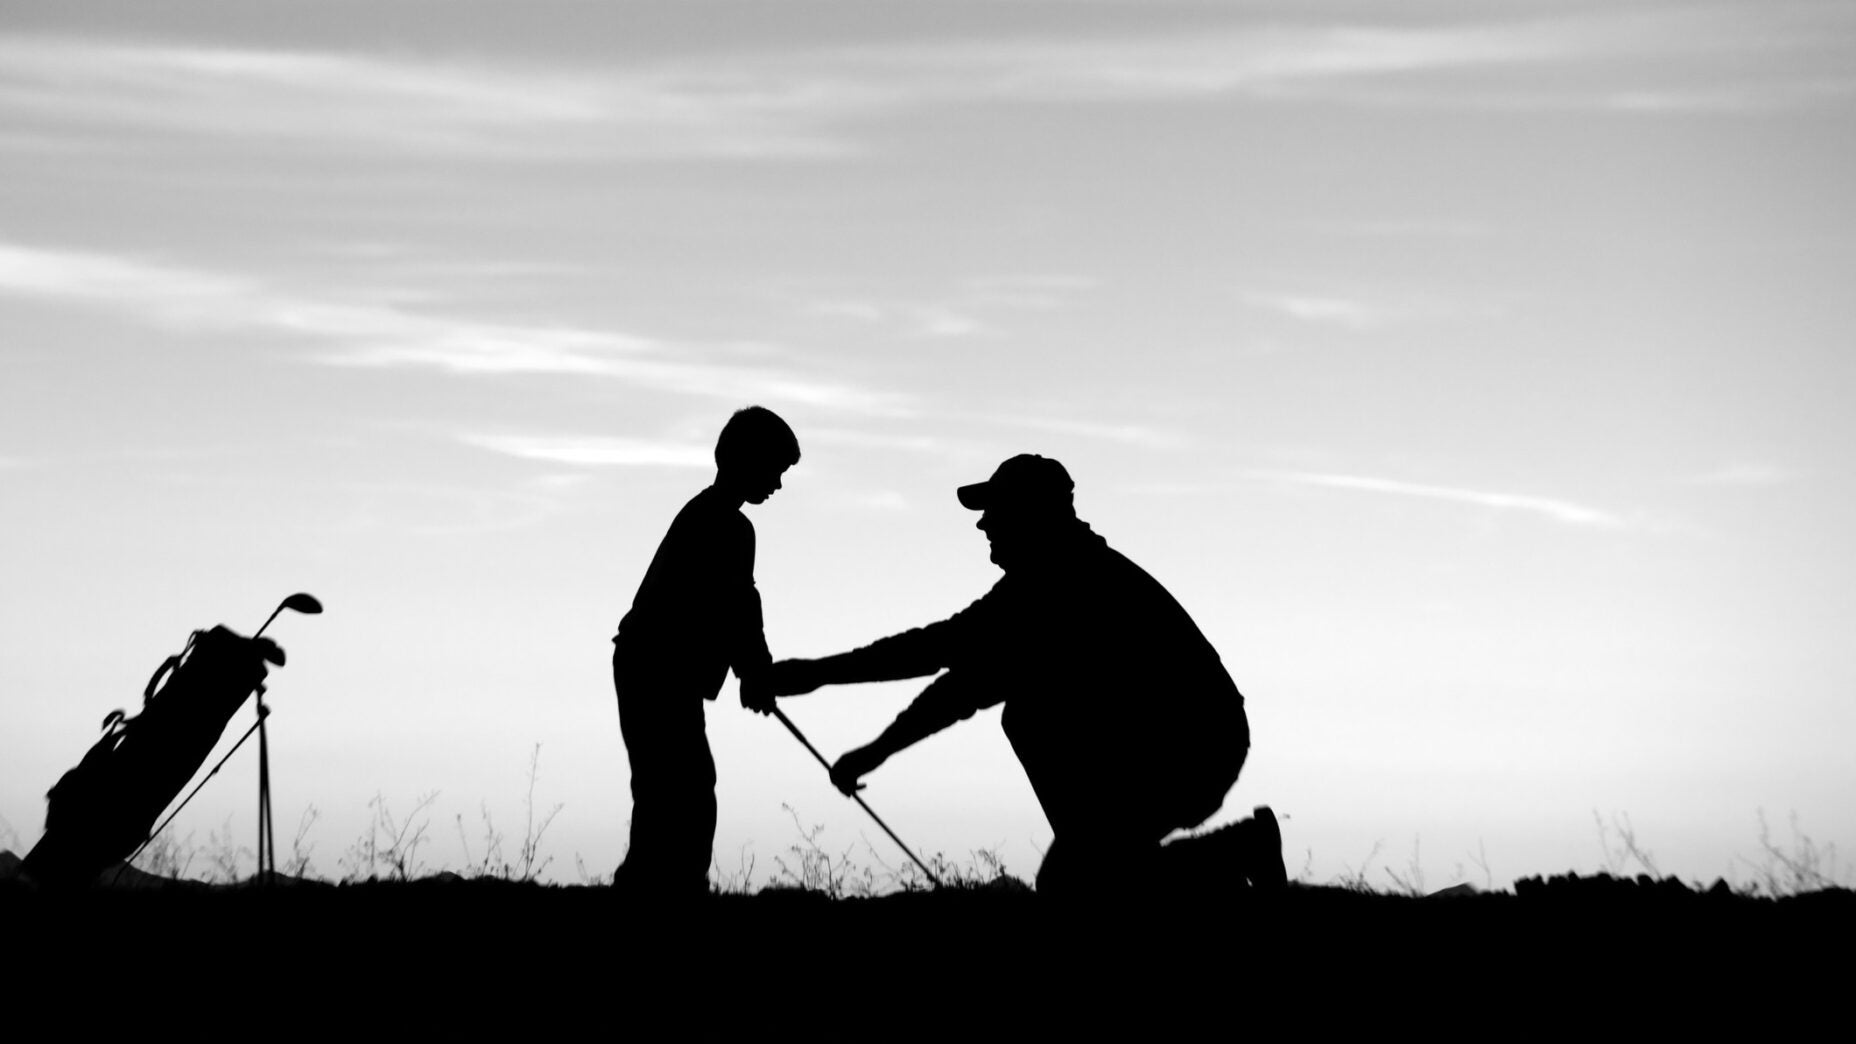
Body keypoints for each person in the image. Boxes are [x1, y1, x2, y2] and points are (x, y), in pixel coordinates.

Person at [767, 454, 1283, 896]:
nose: (983, 525)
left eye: (994, 511)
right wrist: (870, 743)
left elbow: (944, 656)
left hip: (1191, 748)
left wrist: (820, 679)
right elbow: (964, 681)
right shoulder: (1051, 578)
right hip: (1181, 746)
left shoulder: (1061, 583)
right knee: (1082, 874)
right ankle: (1218, 865)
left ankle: (1234, 850)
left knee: (1073, 870)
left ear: (1030, 514)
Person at [611, 406, 798, 895]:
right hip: (655, 667)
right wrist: (756, 673)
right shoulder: (723, 524)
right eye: (775, 470)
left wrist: (753, 672)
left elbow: (737, 609)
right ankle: (667, 889)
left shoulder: (716, 517)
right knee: (678, 787)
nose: (778, 484)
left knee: (672, 785)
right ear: (746, 461)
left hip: (653, 666)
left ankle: (660, 886)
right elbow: (737, 607)